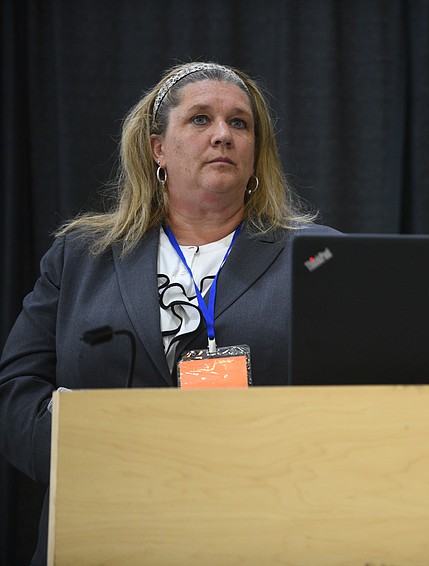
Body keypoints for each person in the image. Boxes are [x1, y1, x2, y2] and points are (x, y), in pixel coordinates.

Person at [0, 61, 339, 564]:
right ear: (158, 148)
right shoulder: (82, 256)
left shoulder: (316, 257)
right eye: (200, 119)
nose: (223, 135)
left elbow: (359, 393)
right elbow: (16, 391)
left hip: (266, 526)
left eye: (239, 123)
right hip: (106, 524)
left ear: (255, 153)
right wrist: (99, 455)